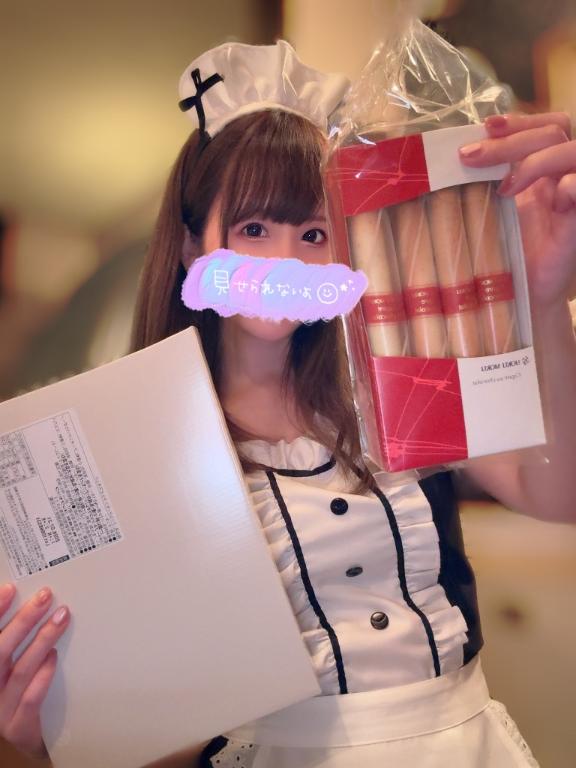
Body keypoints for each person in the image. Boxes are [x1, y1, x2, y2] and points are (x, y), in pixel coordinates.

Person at [1, 39, 575, 768]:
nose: (285, 264)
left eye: (313, 234)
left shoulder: (396, 380)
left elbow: (557, 492)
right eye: (253, 230)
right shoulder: (138, 444)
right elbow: (148, 709)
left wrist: (545, 300)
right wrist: (56, 724)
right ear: (191, 247)